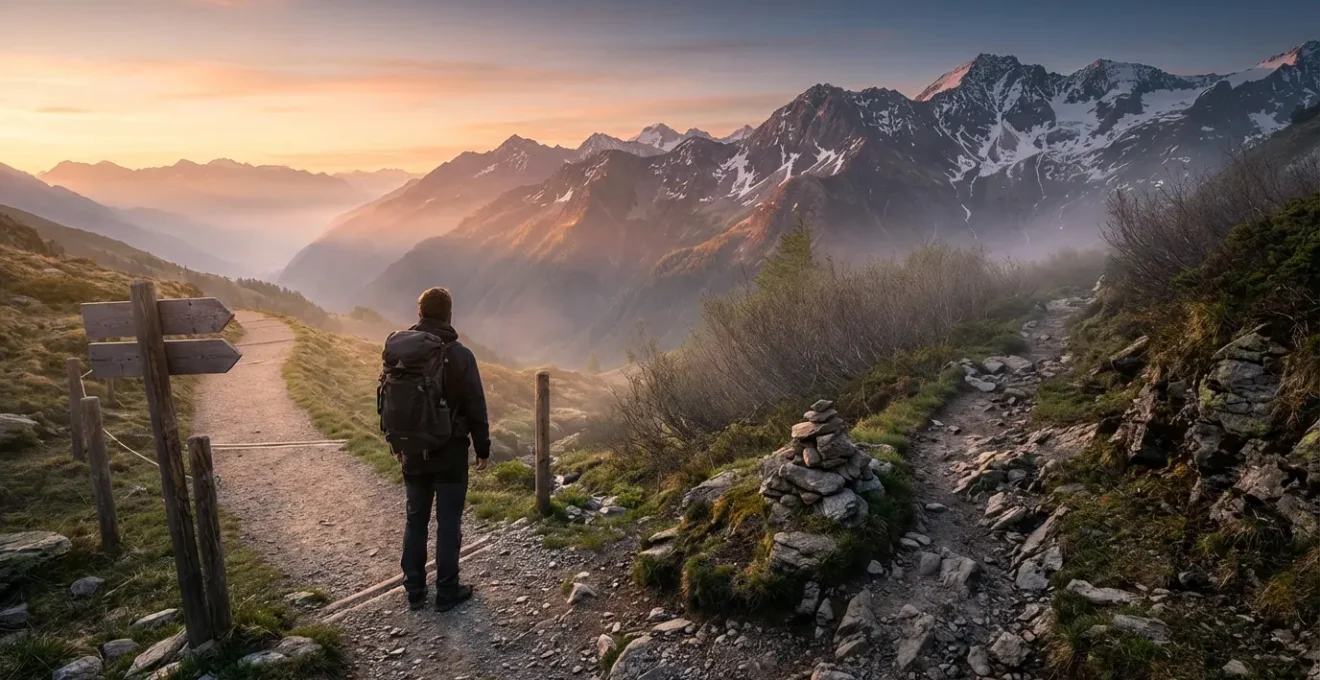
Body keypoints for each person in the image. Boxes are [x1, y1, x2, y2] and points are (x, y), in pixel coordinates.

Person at [396, 287, 490, 611]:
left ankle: (414, 590)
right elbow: (476, 404)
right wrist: (483, 447)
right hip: (450, 452)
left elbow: (392, 402)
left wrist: (397, 442)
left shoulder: (402, 354)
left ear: (419, 313)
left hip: (412, 451)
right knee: (449, 522)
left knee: (415, 520)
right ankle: (447, 590)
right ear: (450, 315)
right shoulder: (461, 355)